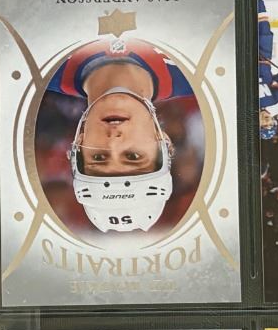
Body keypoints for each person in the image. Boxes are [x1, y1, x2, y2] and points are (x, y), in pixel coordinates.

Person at [49, 33, 194, 234]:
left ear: (78, 143)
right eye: (133, 156)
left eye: (98, 157)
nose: (113, 142)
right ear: (163, 141)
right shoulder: (205, 66)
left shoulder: (31, 63)